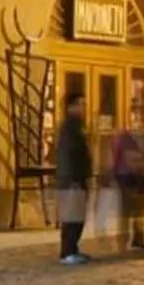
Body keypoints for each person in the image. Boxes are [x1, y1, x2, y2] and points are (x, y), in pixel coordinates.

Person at [53, 98, 94, 265]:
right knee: (72, 216)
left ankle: (73, 248)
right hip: (72, 178)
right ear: (70, 107)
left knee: (78, 216)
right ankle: (67, 251)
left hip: (78, 176)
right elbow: (69, 156)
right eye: (79, 104)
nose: (83, 107)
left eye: (84, 104)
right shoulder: (69, 128)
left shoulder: (78, 126)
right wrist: (73, 179)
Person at [109, 117, 144, 253]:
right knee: (127, 210)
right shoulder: (124, 139)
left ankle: (138, 239)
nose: (139, 125)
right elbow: (122, 159)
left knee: (139, 210)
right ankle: (123, 241)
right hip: (126, 177)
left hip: (140, 176)